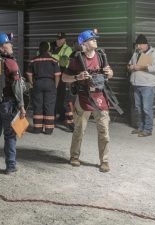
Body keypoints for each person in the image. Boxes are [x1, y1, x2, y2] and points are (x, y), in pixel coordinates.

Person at [62, 29, 114, 173]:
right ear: (84, 43)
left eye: (95, 39)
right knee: (79, 130)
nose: (95, 41)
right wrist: (77, 77)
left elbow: (110, 73)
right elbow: (64, 78)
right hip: (84, 98)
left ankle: (104, 161)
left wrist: (110, 73)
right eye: (92, 39)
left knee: (104, 131)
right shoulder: (77, 59)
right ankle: (74, 157)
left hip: (100, 98)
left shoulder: (101, 56)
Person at [0, 33, 26, 175]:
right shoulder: (10, 63)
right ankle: (10, 166)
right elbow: (17, 87)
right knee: (9, 135)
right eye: (9, 44)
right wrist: (21, 106)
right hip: (7, 104)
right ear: (2, 47)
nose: (11, 46)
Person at [128, 34, 155, 137]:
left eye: (140, 45)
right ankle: (141, 127)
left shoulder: (154, 53)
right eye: (137, 45)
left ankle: (148, 129)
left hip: (147, 85)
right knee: (138, 108)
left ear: (145, 44)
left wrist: (139, 67)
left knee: (147, 108)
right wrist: (130, 67)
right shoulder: (136, 53)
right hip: (136, 84)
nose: (138, 47)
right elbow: (130, 64)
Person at [26, 41, 61, 134]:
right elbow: (57, 75)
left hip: (38, 83)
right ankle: (48, 129)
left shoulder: (33, 60)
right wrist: (55, 86)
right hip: (50, 83)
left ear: (39, 48)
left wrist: (32, 83)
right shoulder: (54, 60)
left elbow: (29, 74)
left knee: (38, 106)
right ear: (48, 49)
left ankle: (37, 128)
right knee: (49, 106)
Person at [51, 32, 74, 131]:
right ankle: (61, 117)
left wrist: (51, 56)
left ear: (64, 40)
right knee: (56, 97)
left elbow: (64, 62)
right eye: (57, 39)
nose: (58, 41)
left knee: (64, 100)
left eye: (60, 39)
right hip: (55, 76)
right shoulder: (54, 48)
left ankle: (70, 124)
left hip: (64, 76)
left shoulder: (67, 49)